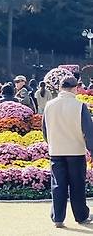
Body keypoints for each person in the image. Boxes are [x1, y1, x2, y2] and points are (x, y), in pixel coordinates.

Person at [42, 76, 93, 228]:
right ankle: (81, 216)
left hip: (56, 151)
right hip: (75, 151)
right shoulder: (79, 105)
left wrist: (51, 143)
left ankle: (58, 217)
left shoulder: (49, 105)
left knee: (58, 185)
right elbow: (88, 131)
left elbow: (44, 129)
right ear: (76, 87)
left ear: (60, 88)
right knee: (77, 185)